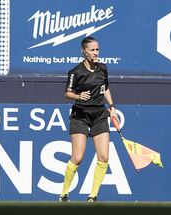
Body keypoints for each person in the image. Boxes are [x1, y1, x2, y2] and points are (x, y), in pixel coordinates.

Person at [59, 36, 118, 202]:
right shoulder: (75, 72)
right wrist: (78, 96)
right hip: (81, 115)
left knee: (104, 157)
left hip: (99, 115)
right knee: (77, 157)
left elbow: (105, 88)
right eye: (92, 50)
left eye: (97, 49)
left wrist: (112, 107)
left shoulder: (103, 69)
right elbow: (67, 93)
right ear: (83, 51)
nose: (95, 53)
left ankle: (93, 196)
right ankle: (64, 194)